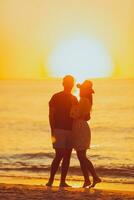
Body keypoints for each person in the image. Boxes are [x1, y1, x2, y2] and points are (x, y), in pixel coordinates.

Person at [46, 75, 78, 187]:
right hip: (58, 130)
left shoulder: (74, 98)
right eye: (67, 83)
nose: (69, 85)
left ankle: (62, 181)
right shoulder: (56, 96)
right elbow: (51, 114)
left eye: (71, 83)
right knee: (59, 155)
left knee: (68, 156)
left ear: (72, 85)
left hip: (70, 130)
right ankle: (50, 180)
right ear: (63, 84)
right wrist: (52, 130)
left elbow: (75, 117)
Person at [70, 80, 101, 188]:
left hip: (80, 127)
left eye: (81, 89)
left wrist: (73, 106)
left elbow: (75, 115)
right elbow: (86, 116)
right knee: (81, 156)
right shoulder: (86, 100)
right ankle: (87, 180)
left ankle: (94, 177)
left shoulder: (83, 100)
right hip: (81, 126)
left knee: (82, 156)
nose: (79, 91)